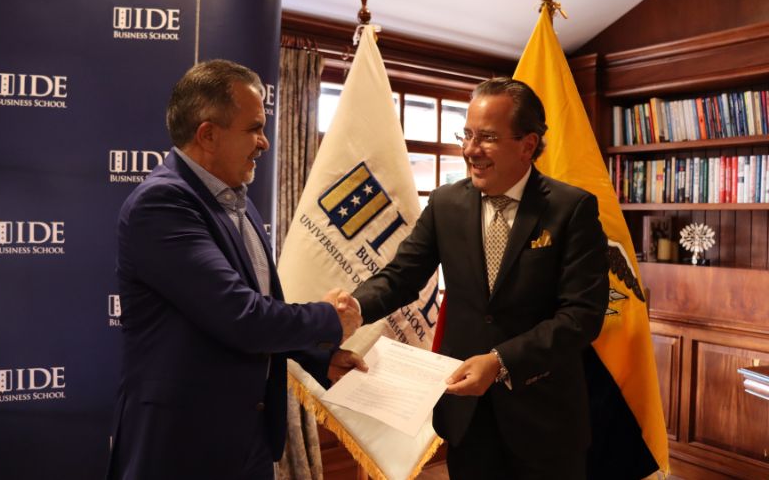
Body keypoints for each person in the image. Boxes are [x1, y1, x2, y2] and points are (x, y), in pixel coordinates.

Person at [106, 59, 364, 480]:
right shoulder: (162, 205)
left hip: (247, 440)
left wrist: (318, 356)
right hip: (182, 445)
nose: (264, 142)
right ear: (208, 134)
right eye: (254, 128)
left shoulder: (236, 200)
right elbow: (240, 316)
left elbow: (250, 311)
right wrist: (329, 319)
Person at [350, 77, 609, 479]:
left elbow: (582, 316)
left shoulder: (571, 209)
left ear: (527, 145)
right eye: (467, 134)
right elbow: (401, 277)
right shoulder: (445, 203)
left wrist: (501, 361)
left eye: (487, 137)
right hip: (467, 421)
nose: (470, 150)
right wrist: (352, 308)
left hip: (545, 422)